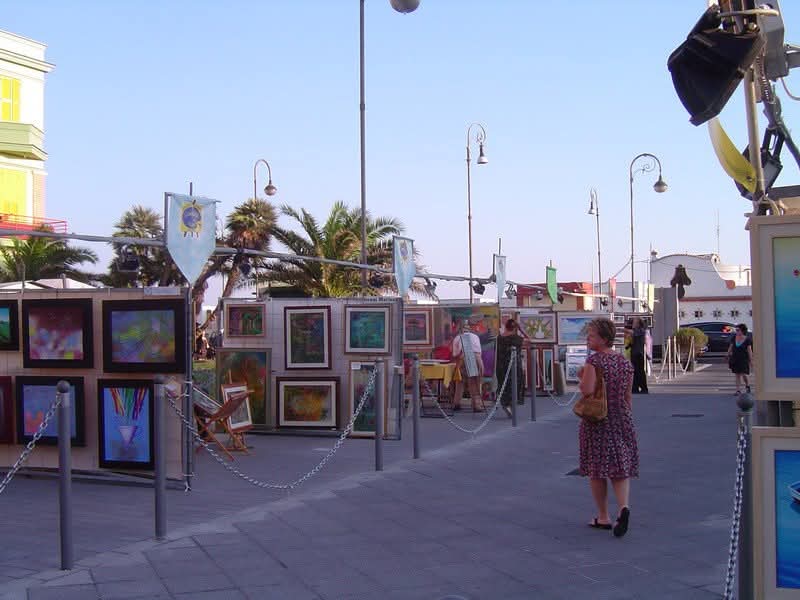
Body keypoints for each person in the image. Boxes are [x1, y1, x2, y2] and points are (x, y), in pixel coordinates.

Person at [578, 317, 638, 538]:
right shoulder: (624, 362)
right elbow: (628, 395)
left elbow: (586, 390)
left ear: (603, 339)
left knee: (597, 467)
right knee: (619, 466)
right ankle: (624, 507)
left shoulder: (594, 361)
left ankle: (603, 516)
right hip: (621, 417)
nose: (588, 338)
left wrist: (582, 376)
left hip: (598, 419)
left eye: (592, 335)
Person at [451, 322, 485, 412]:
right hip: (477, 358)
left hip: (464, 357)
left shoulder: (458, 337)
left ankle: (456, 403)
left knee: (460, 381)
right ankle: (476, 405)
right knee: (475, 382)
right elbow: (479, 352)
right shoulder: (475, 337)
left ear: (460, 330)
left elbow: (455, 354)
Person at [496, 318, 525, 418]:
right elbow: (531, 341)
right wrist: (521, 330)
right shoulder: (517, 339)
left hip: (501, 366)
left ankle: (506, 405)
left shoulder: (499, 338)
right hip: (514, 366)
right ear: (515, 328)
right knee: (514, 386)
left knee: (503, 385)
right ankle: (511, 407)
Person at [727, 323, 753, 395]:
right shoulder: (734, 338)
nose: (737, 331)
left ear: (742, 331)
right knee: (737, 375)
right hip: (735, 358)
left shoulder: (747, 339)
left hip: (744, 359)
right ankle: (738, 390)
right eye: (736, 330)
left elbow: (749, 350)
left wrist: (751, 360)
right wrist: (728, 354)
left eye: (738, 330)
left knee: (744, 374)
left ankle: (747, 385)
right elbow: (731, 346)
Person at [626, 317, 649, 394]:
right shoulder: (637, 331)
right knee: (635, 372)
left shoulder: (641, 331)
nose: (633, 323)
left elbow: (632, 333)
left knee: (640, 372)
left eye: (634, 322)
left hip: (639, 354)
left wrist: (619, 327)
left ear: (638, 324)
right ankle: (635, 388)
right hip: (634, 353)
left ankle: (644, 388)